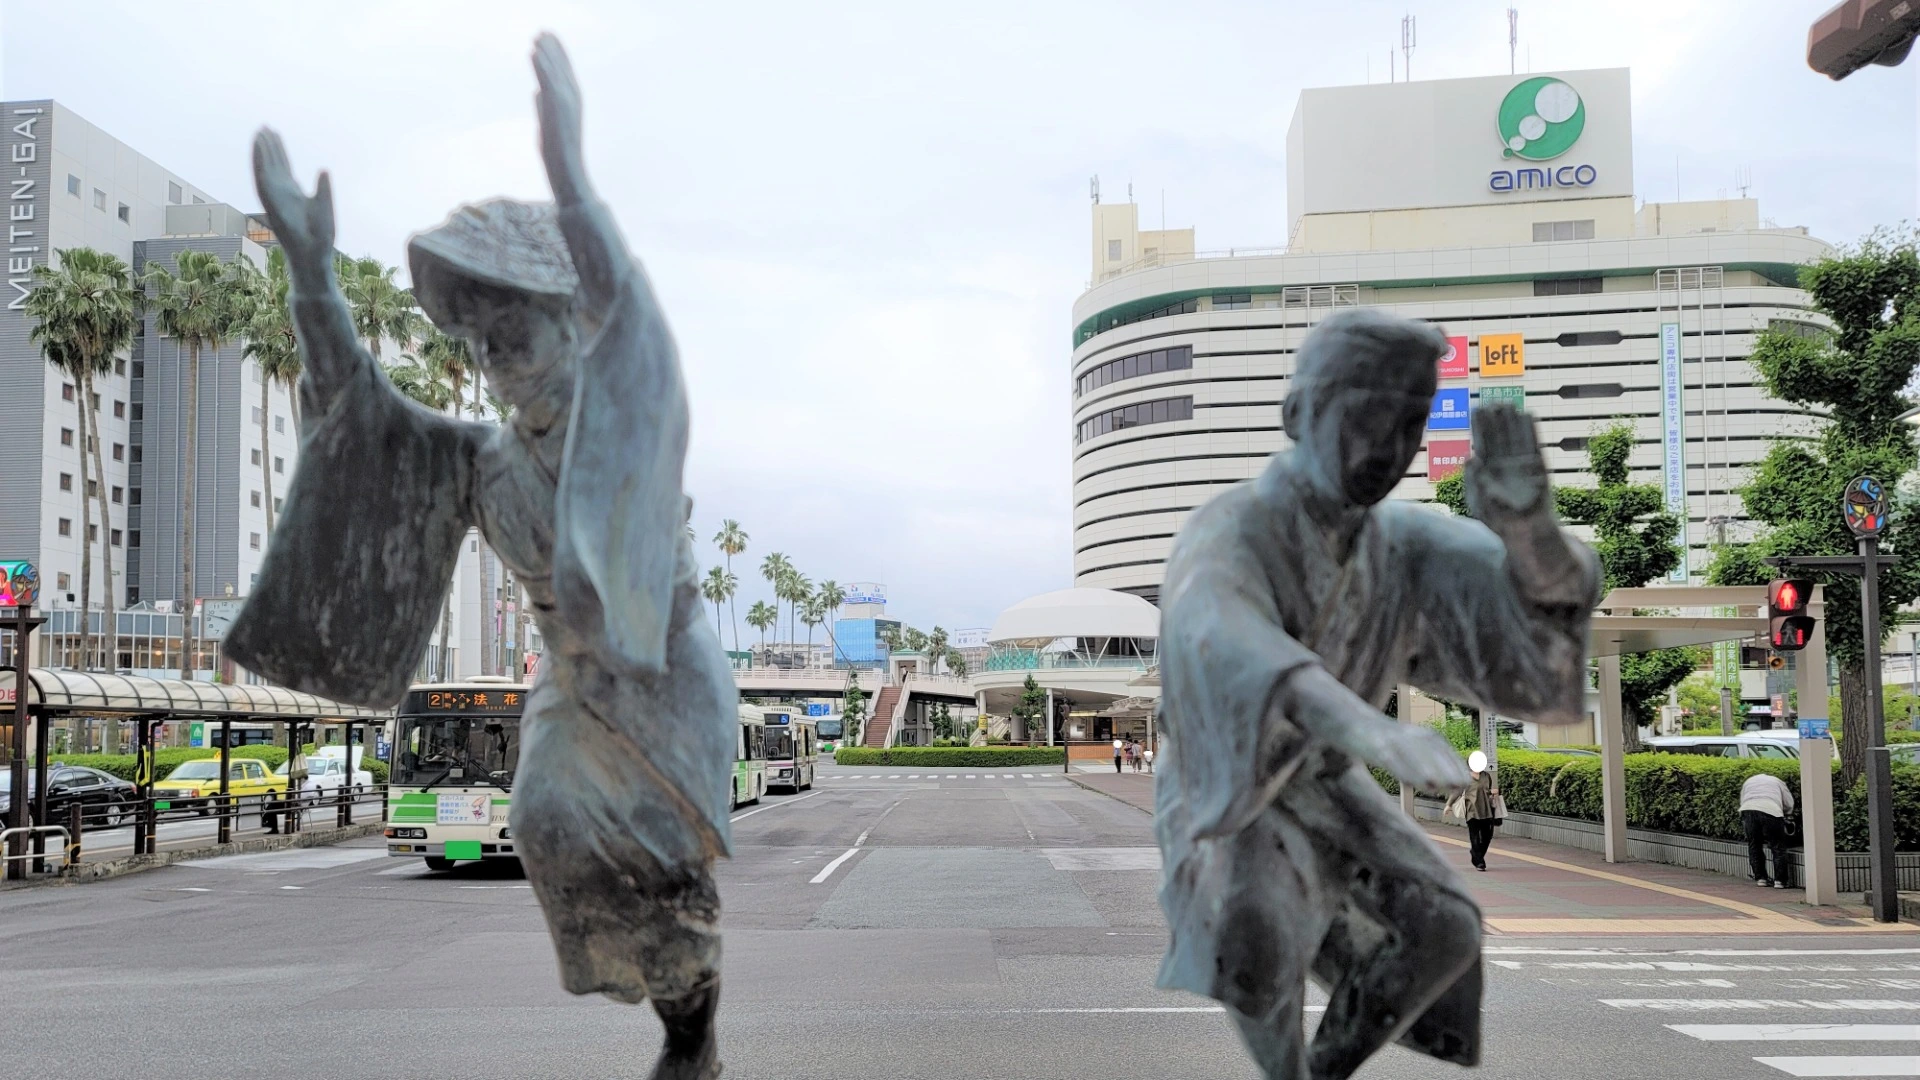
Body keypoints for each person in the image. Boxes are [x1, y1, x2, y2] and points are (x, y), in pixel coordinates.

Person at [228, 37, 735, 1080]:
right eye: (479, 348)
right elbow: (361, 419)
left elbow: (630, 315)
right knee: (543, 815)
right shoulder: (476, 461)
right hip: (571, 681)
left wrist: (570, 174)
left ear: (567, 325)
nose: (495, 367)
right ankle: (670, 1002)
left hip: (666, 666)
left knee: (673, 861)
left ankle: (695, 1034)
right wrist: (312, 273)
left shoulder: (625, 408)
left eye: (516, 338)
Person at [1153, 308, 1599, 1079]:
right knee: (1256, 930)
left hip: (1326, 779)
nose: (1387, 448)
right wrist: (1368, 729)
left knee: (1444, 930)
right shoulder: (1234, 526)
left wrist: (1528, 532)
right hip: (1237, 785)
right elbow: (1222, 633)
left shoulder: (1402, 540)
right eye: (1364, 417)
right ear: (1299, 412)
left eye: (1410, 423)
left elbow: (1539, 602)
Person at [1740, 770, 1795, 888]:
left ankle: (1761, 878)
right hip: (1772, 810)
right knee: (1777, 846)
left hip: (1748, 809)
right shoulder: (1778, 782)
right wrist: (1788, 813)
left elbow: (1742, 799)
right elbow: (1788, 802)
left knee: (1754, 845)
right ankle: (1780, 881)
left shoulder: (1749, 781)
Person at [1463, 750, 1499, 872]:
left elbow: (1487, 791)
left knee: (1487, 837)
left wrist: (1493, 792)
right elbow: (1457, 792)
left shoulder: (1486, 776)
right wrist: (1449, 805)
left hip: (1486, 810)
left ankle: (1475, 854)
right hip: (1472, 811)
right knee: (1475, 837)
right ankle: (1479, 862)